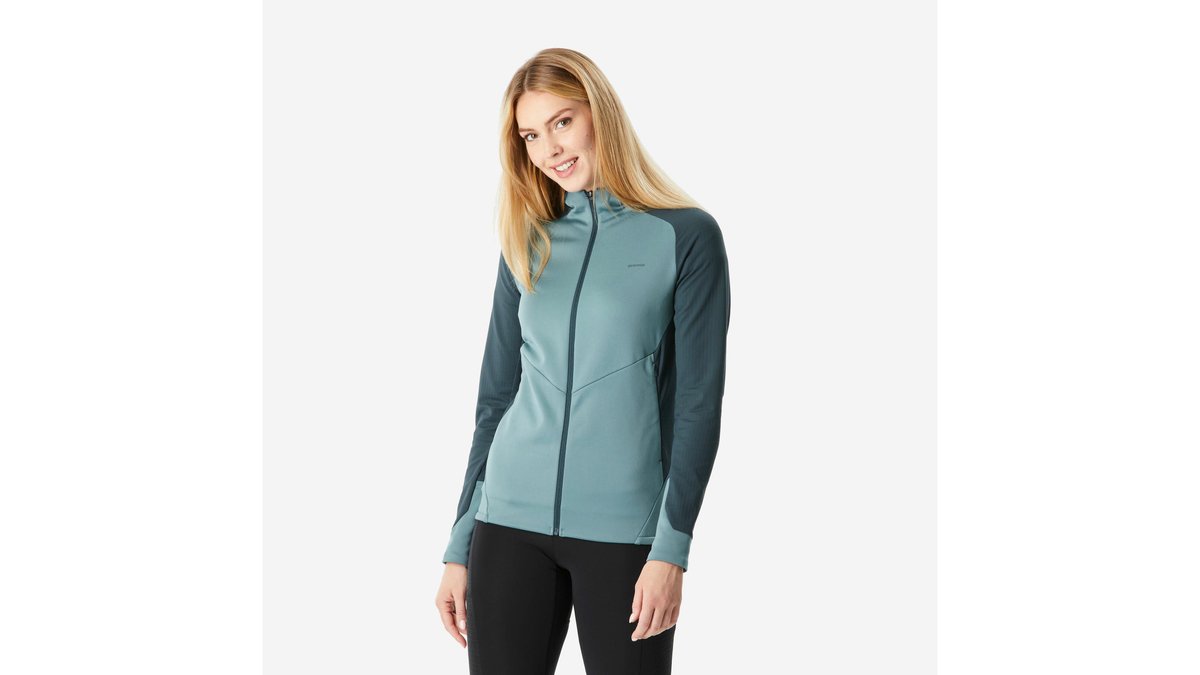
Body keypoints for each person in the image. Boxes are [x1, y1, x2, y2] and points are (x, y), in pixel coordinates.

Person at [433, 47, 731, 674]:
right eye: (530, 136)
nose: (550, 149)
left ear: (601, 113)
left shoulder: (685, 235)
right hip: (506, 525)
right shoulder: (528, 238)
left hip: (625, 531)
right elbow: (496, 399)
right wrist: (460, 545)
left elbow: (698, 405)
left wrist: (671, 550)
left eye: (562, 122)